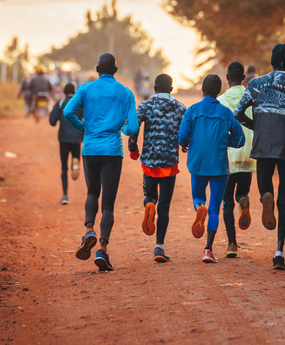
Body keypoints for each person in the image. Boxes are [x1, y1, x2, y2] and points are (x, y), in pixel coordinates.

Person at [234, 43, 285, 270]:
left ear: (270, 61)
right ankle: (279, 252)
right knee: (284, 199)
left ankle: (265, 197)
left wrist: (255, 124)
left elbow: (238, 112)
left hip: (263, 142)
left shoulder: (256, 83)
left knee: (265, 187)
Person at [64, 53, 139, 272]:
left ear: (98, 69)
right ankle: (102, 250)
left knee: (92, 192)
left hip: (90, 148)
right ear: (114, 71)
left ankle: (89, 230)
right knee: (108, 204)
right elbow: (133, 129)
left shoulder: (86, 89)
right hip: (112, 151)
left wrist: (82, 127)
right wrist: (122, 127)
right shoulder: (126, 93)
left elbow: (68, 111)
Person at [178, 74, 245, 263]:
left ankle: (200, 208)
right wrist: (227, 141)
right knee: (215, 208)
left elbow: (182, 135)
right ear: (219, 91)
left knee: (199, 197)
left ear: (202, 90)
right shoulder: (225, 113)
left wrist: (185, 143)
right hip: (219, 164)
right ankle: (208, 249)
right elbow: (240, 138)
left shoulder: (192, 110)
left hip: (198, 163)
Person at [128, 74, 187, 263]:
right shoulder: (180, 108)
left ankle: (148, 204)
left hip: (149, 162)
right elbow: (186, 131)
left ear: (154, 88)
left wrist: (133, 147)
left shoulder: (145, 106)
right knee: (165, 206)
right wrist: (184, 144)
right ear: (171, 89)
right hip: (169, 163)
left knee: (151, 195)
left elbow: (134, 127)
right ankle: (159, 247)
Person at [217, 62, 256, 258]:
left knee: (226, 201)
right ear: (243, 78)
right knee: (241, 192)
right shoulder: (252, 97)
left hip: (228, 157)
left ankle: (232, 244)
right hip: (248, 154)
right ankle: (243, 200)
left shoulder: (221, 100)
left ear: (227, 78)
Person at [49, 82, 83, 205]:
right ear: (74, 92)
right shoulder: (79, 103)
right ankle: (76, 162)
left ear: (64, 92)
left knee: (64, 168)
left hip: (63, 139)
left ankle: (65, 195)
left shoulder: (61, 103)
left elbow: (52, 121)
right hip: (77, 138)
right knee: (76, 157)